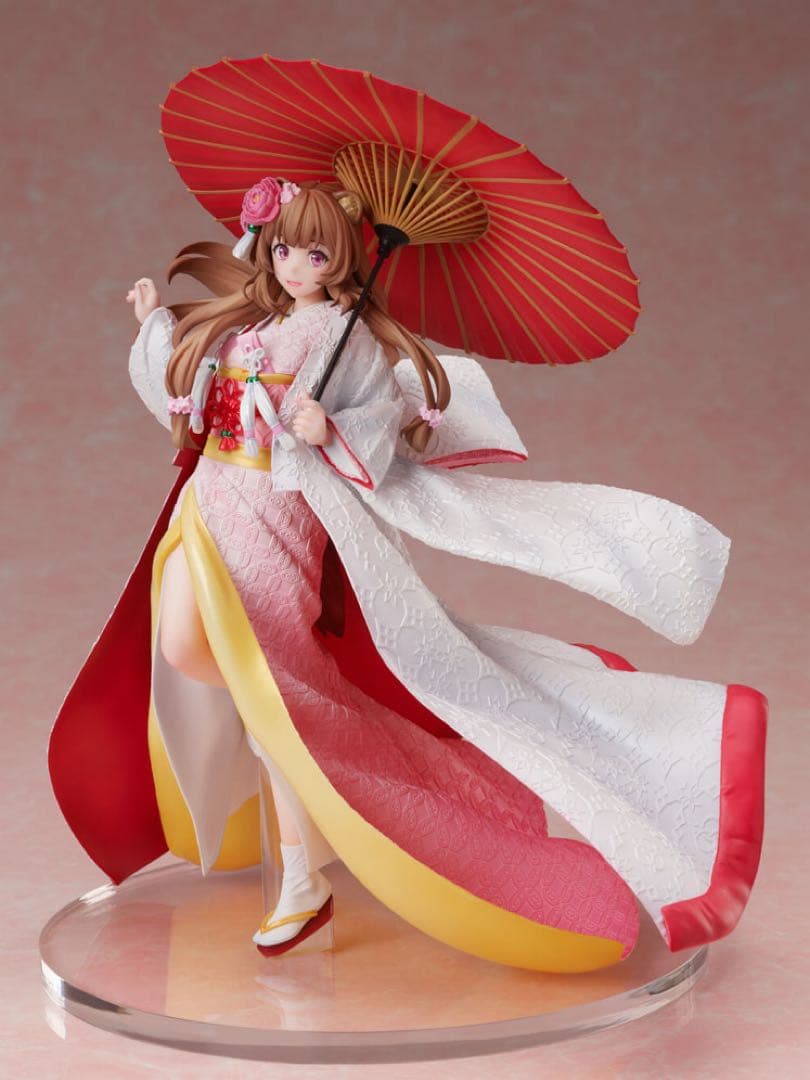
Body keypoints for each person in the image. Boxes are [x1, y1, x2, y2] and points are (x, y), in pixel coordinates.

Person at [49, 180, 766, 973]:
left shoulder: (344, 336)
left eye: (315, 252)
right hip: (210, 499)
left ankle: (302, 882)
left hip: (276, 518)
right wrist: (155, 325)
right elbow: (189, 398)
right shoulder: (256, 324)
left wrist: (330, 428)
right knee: (191, 650)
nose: (294, 265)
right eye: (283, 247)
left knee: (265, 686)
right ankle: (302, 776)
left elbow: (382, 423)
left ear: (342, 259)